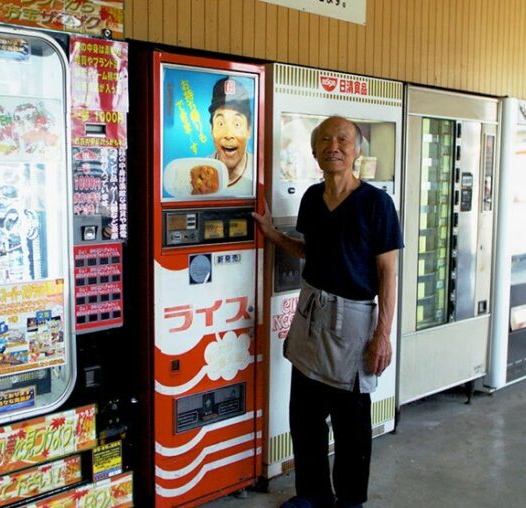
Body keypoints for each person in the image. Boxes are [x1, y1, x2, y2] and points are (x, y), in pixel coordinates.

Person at [251, 116, 401, 508]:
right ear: (315, 151)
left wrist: (382, 334)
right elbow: (310, 251)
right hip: (310, 312)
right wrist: (274, 236)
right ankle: (312, 494)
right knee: (304, 414)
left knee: (351, 421)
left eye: (343, 140)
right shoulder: (311, 199)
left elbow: (388, 272)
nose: (334, 146)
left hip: (353, 320)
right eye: (325, 141)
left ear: (356, 151)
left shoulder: (377, 204)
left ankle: (350, 500)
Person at [208, 77, 255, 196]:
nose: (228, 135)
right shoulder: (201, 171)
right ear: (211, 129)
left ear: (249, 129)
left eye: (237, 124)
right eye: (221, 123)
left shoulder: (258, 172)